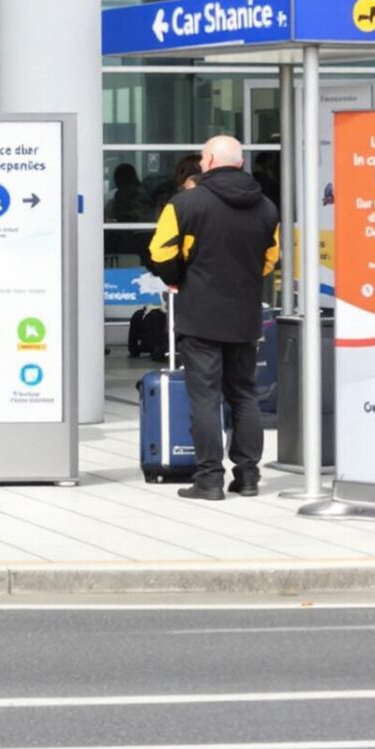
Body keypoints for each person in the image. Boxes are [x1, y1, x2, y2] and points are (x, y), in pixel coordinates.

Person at [147, 135, 280, 500]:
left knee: (205, 398)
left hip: (200, 314)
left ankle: (209, 480)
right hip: (244, 315)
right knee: (244, 395)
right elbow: (269, 260)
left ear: (207, 161)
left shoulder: (185, 204)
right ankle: (249, 476)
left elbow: (160, 253)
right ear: (239, 163)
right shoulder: (267, 207)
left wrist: (176, 277)